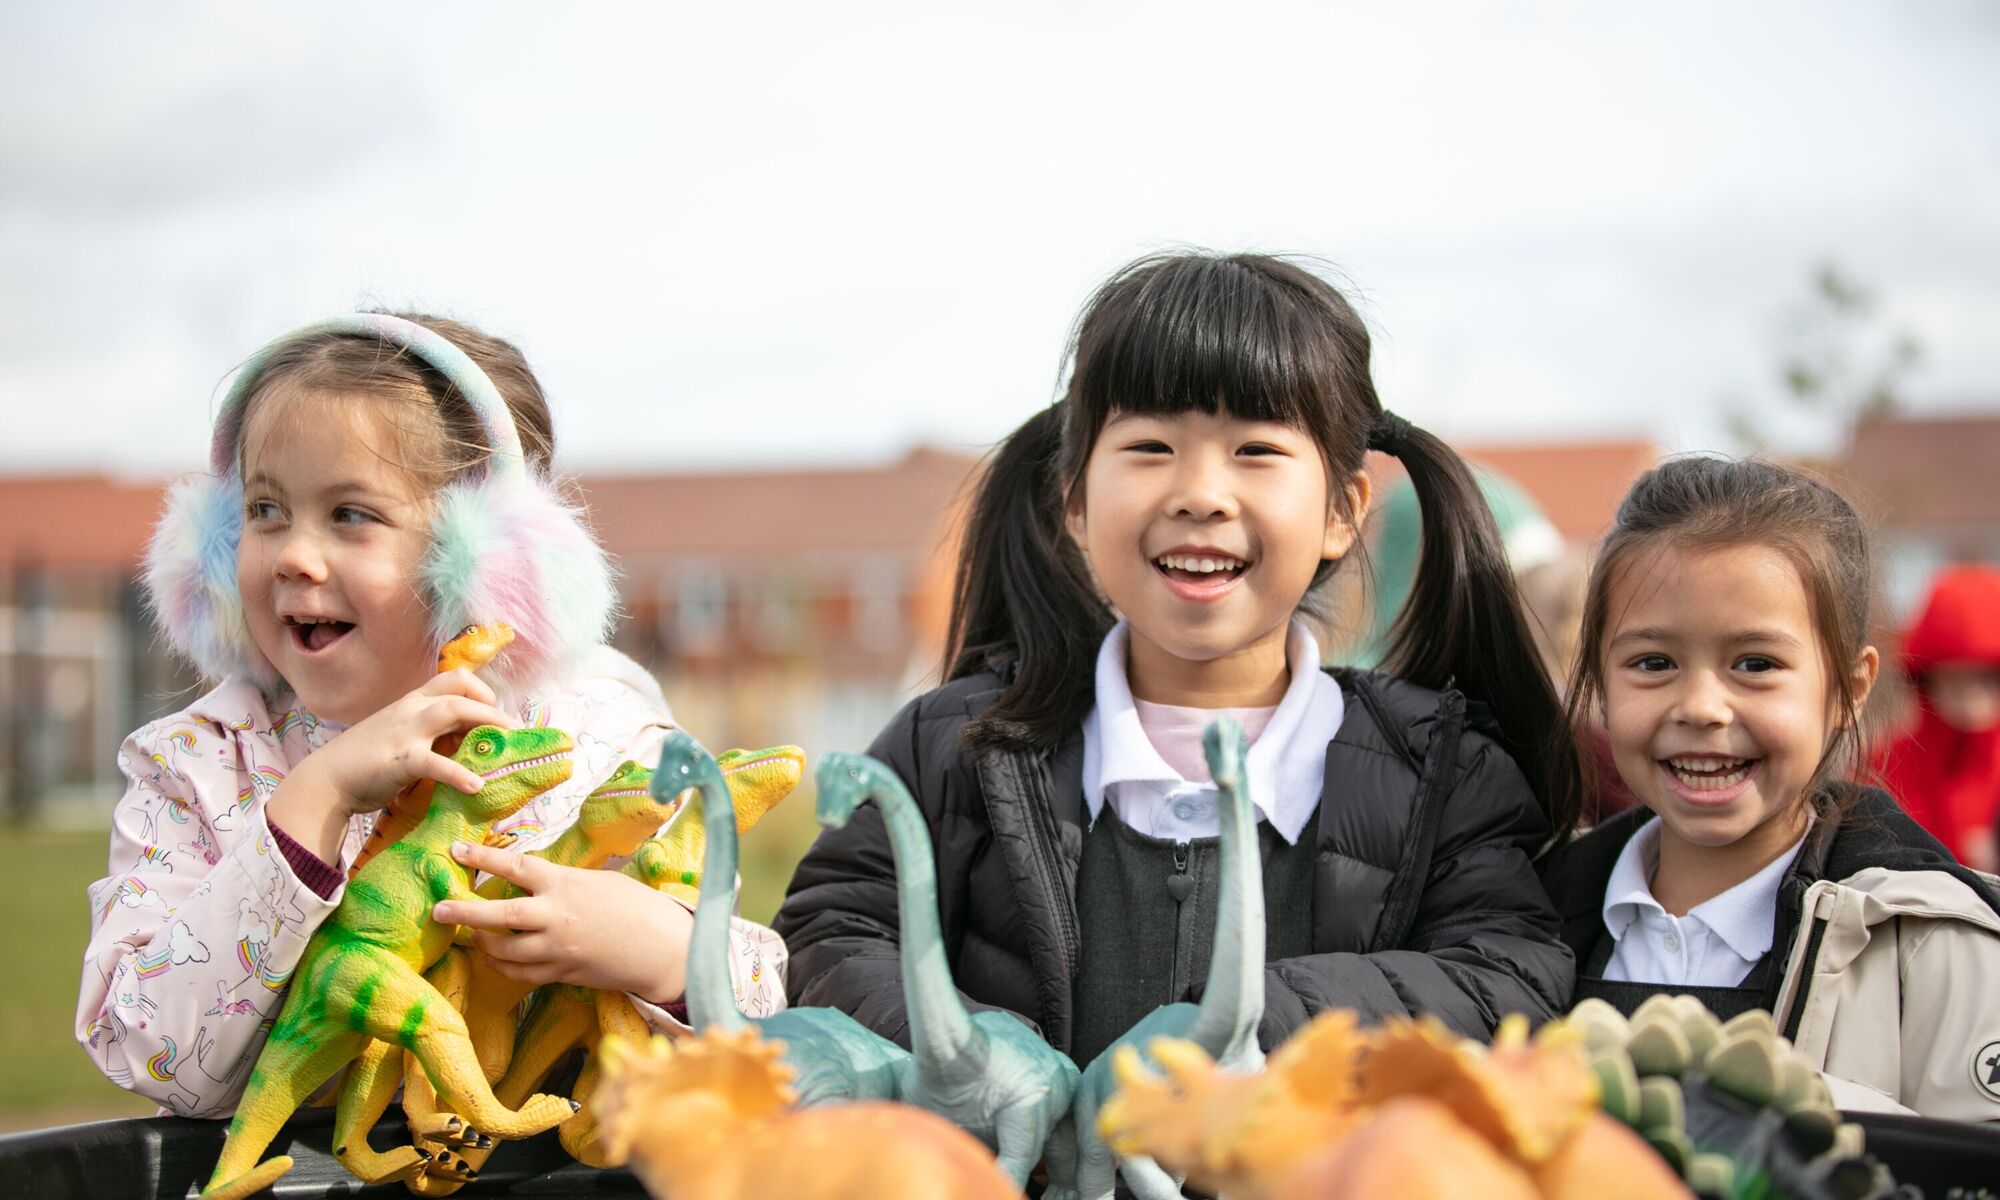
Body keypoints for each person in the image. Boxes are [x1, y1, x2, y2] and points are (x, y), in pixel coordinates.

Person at [777, 252, 1581, 1071]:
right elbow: (830, 933)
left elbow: (1508, 974)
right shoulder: (953, 747)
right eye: (1152, 446)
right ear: (1076, 503)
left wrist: (1252, 1023)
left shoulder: (1442, 772)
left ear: (1343, 511)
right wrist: (976, 1049)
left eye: (1257, 450)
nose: (1201, 492)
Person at [77, 313, 784, 1118]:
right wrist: (316, 798)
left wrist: (661, 952)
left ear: (494, 563)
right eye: (265, 511)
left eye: (350, 515)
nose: (292, 555)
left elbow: (770, 1019)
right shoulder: (194, 763)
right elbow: (146, 1051)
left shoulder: (609, 750)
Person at [1539, 456, 2000, 1121]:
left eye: (1755, 664)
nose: (1701, 706)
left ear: (1851, 688)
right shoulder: (1527, 916)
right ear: (1599, 679)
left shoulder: (1934, 946)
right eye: (1653, 663)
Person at [1875, 564, 2000, 873]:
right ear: (1926, 681)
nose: (1972, 699)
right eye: (1955, 680)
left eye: (1988, 679)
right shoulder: (1886, 766)